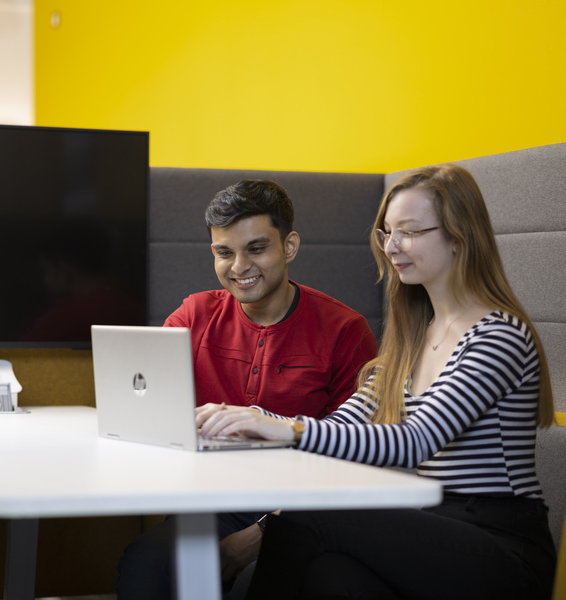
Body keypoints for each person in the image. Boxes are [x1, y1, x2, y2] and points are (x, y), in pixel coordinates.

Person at [198, 164, 557, 600]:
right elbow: (347, 425)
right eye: (386, 232)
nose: (392, 246)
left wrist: (283, 428)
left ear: (458, 237)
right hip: (431, 527)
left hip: (500, 543)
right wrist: (252, 418)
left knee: (304, 519)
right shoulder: (413, 341)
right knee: (330, 574)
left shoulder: (497, 335)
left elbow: (413, 442)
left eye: (409, 231)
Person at [115, 179, 377, 599]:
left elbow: (355, 456)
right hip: (208, 503)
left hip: (303, 512)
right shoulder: (193, 314)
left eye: (256, 248)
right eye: (224, 252)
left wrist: (256, 537)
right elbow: (147, 407)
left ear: (288, 246)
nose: (239, 267)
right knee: (145, 565)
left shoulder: (345, 330)